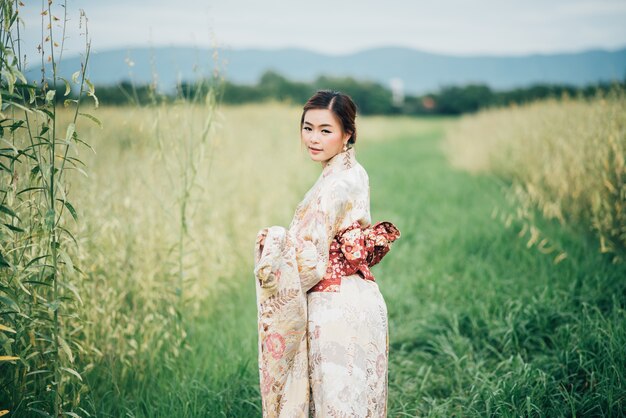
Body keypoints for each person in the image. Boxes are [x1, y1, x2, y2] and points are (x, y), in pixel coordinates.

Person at [254, 90, 400, 417]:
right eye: (308, 128)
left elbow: (312, 262)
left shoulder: (334, 186)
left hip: (333, 309)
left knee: (333, 405)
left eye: (325, 130)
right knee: (356, 403)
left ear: (348, 133)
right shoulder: (352, 172)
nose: (313, 139)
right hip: (363, 298)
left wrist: (274, 247)